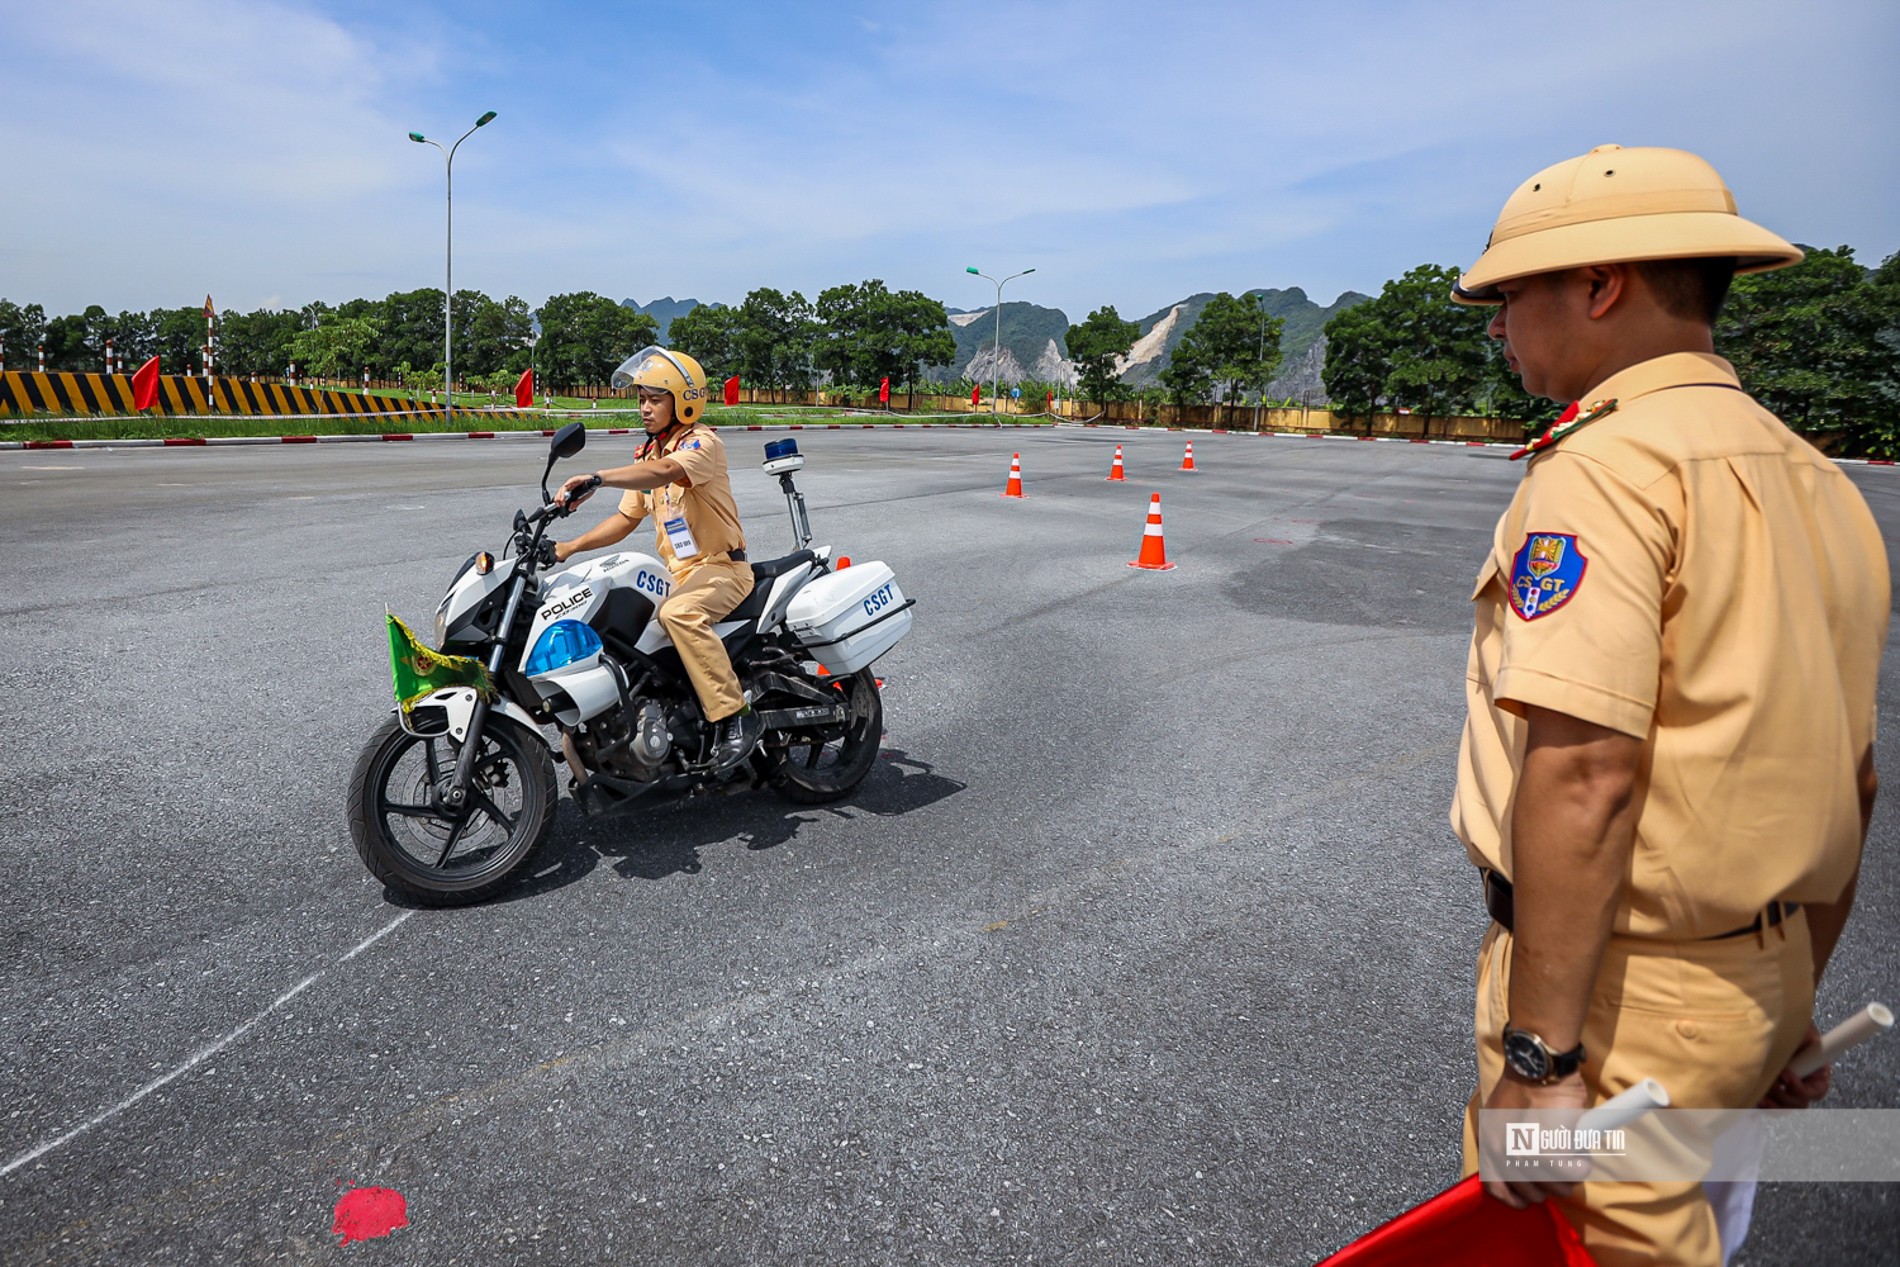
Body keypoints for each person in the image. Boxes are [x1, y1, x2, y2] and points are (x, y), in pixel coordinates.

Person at [1447, 145, 1888, 1265]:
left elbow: (1585, 771)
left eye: (1509, 296)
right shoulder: (1817, 479)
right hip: (1756, 976)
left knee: (1583, 1240)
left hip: (1623, 1000)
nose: (1497, 326)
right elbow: (1854, 777)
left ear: (1599, 286)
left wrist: (1541, 1062)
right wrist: (1787, 998)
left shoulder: (1602, 469)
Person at [552, 346, 761, 772]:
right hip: (679, 573)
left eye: (655, 399)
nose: (644, 409)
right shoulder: (648, 455)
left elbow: (666, 473)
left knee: (679, 614)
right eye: (641, 399)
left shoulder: (703, 444)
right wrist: (568, 548)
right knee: (622, 634)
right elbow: (626, 519)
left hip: (723, 569)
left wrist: (598, 477)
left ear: (684, 401)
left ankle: (736, 716)